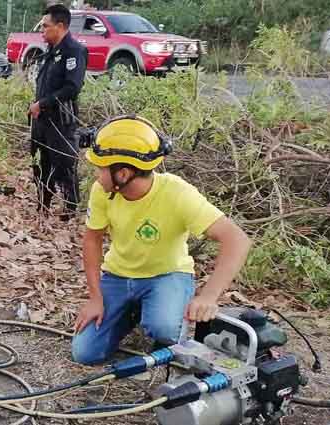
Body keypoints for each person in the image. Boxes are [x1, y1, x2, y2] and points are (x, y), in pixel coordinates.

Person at [70, 115, 251, 365]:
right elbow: (92, 240)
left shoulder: (177, 193)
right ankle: (131, 311)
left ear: (123, 174)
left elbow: (237, 239)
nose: (97, 175)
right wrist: (95, 297)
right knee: (85, 353)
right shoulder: (102, 191)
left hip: (167, 275)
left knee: (166, 331)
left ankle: (155, 310)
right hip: (117, 276)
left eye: (101, 168)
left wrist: (209, 296)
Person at [29, 4, 88, 221]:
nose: (42, 31)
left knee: (63, 165)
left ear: (60, 26)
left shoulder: (74, 51)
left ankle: (70, 211)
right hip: (41, 120)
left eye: (46, 26)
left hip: (60, 120)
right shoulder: (51, 51)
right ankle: (43, 205)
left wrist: (43, 103)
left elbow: (72, 87)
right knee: (40, 164)